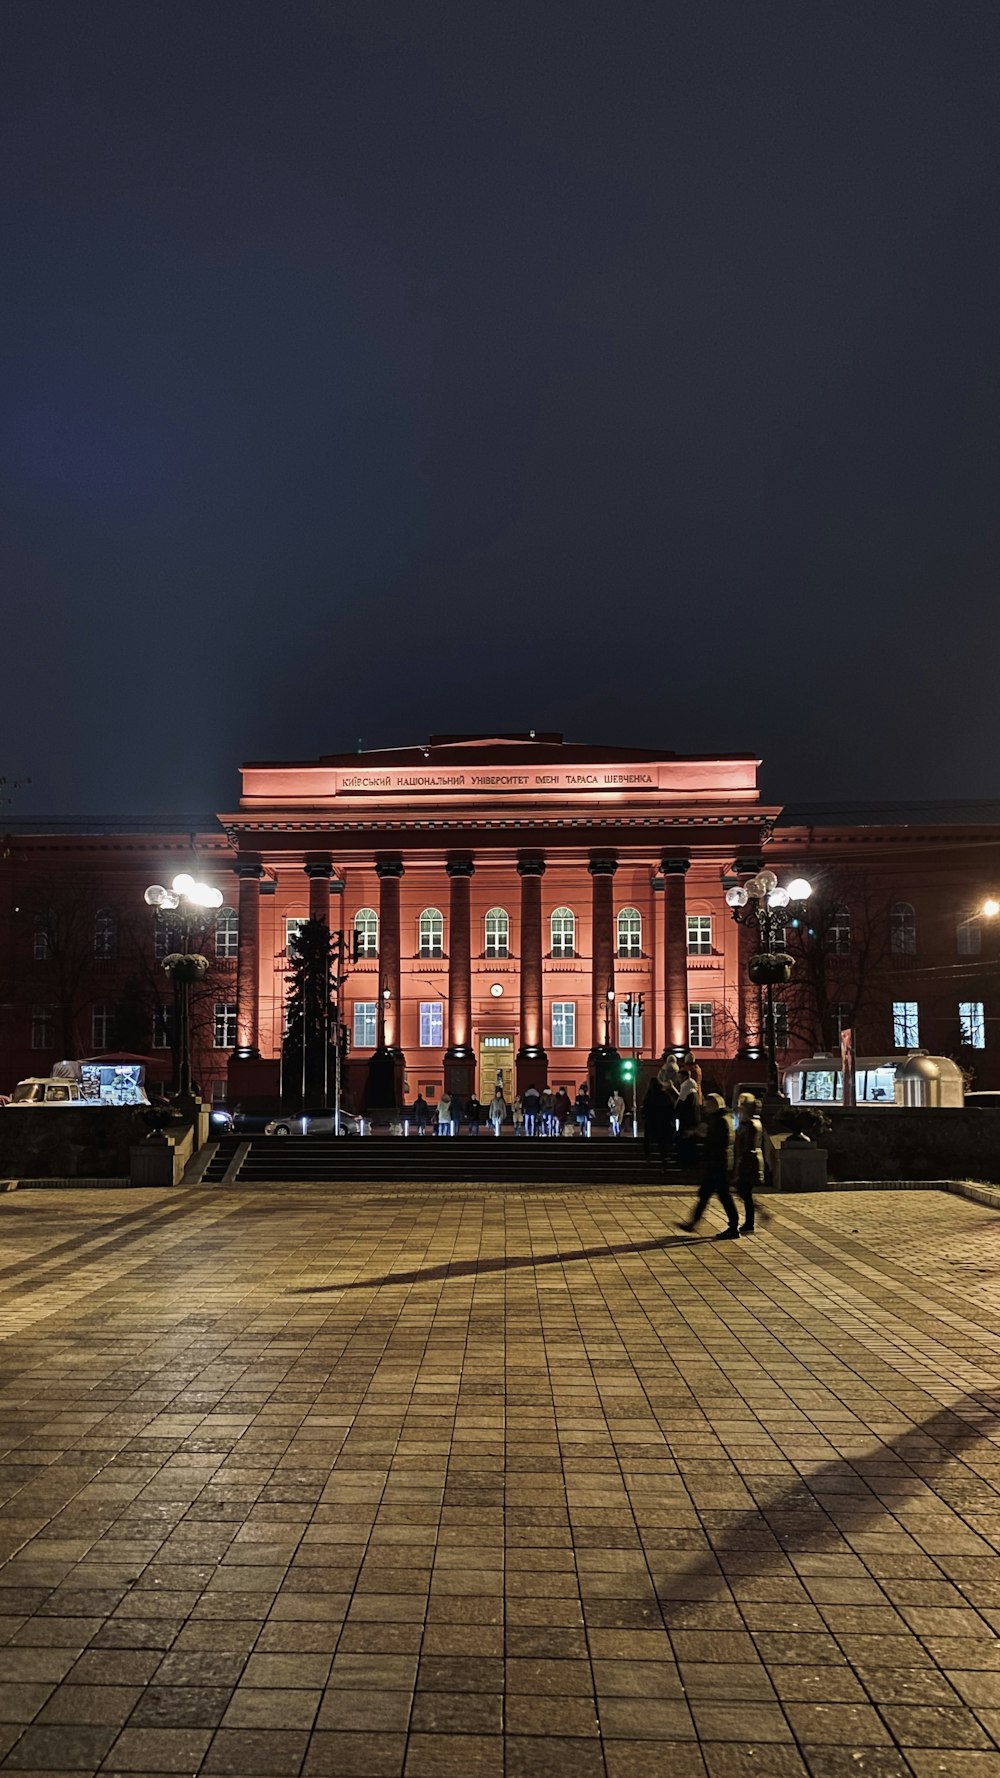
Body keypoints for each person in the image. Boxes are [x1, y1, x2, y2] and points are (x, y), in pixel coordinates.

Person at [677, 1093, 739, 1239]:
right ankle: (693, 1222)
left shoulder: (720, 1120)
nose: (705, 1107)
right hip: (718, 1162)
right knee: (705, 1193)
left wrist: (700, 1136)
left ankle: (734, 1227)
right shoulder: (724, 1118)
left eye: (707, 1105)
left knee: (723, 1195)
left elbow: (717, 1141)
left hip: (719, 1163)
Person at [733, 1093, 764, 1234]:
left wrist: (739, 1164)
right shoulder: (752, 1122)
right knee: (745, 1192)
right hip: (751, 1160)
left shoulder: (750, 1124)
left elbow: (746, 1146)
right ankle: (755, 1217)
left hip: (748, 1162)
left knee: (744, 1191)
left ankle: (751, 1221)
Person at [675, 1066, 702, 1168]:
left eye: (680, 1076)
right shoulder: (693, 1086)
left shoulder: (686, 1086)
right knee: (690, 1142)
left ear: (684, 1076)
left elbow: (681, 1100)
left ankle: (684, 1161)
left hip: (687, 1119)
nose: (679, 1079)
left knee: (683, 1140)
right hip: (694, 1118)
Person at [642, 1076, 666, 1164]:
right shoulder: (663, 1094)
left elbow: (644, 1109)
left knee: (648, 1140)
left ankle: (648, 1157)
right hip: (661, 1121)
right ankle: (663, 1159)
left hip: (650, 1121)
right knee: (662, 1141)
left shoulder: (649, 1095)